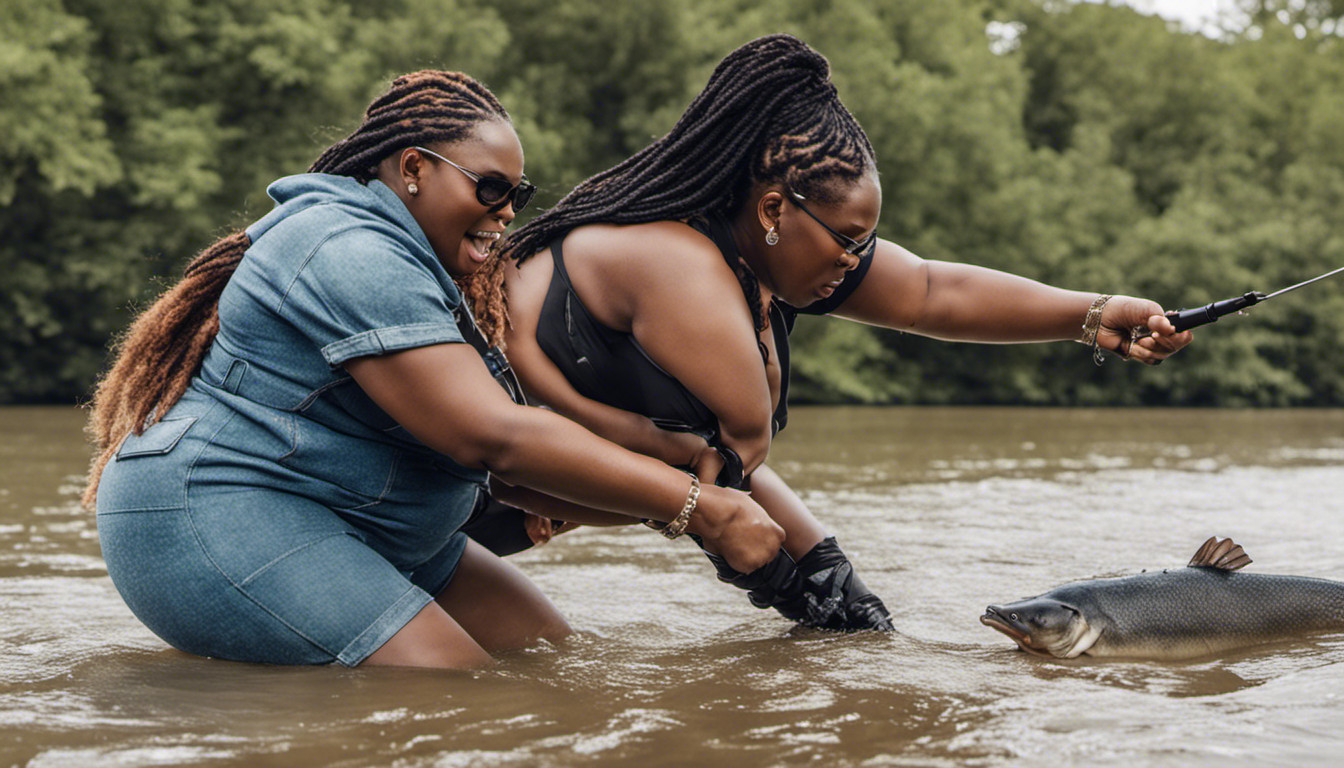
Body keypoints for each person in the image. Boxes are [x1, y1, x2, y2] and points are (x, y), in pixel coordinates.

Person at [467, 35, 1192, 631]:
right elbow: (740, 450)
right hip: (463, 496)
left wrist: (1094, 314)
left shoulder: (760, 245)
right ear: (776, 209)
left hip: (592, 488)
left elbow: (932, 293)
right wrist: (682, 462)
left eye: (863, 246)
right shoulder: (679, 265)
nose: (854, 264)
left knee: (854, 631)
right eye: (847, 241)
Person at [83, 70, 784, 670]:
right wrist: (698, 507)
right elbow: (492, 438)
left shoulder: (415, 269)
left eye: (520, 195)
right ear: (413, 169)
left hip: (354, 518)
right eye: (490, 188)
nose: (506, 213)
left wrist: (684, 503)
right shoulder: (348, 249)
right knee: (449, 687)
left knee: (545, 659)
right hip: (217, 510)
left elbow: (513, 479)